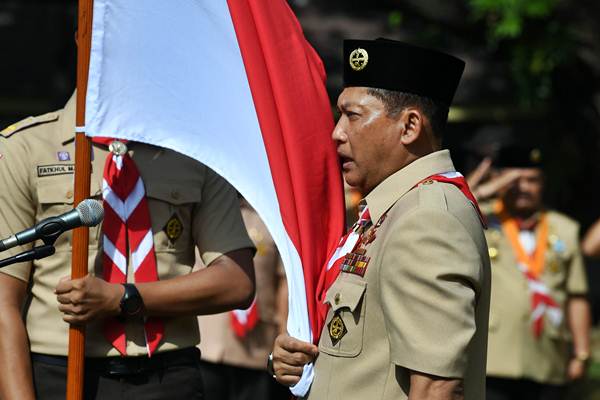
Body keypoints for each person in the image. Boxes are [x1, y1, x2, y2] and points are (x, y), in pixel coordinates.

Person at [270, 38, 490, 399]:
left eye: (353, 116)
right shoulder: (392, 211)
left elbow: (437, 386)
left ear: (410, 127)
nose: (337, 132)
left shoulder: (427, 218)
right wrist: (306, 365)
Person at [0, 91, 256, 400]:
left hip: (167, 377)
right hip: (60, 375)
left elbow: (236, 281)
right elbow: (3, 304)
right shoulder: (25, 147)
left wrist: (123, 297)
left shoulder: (195, 150)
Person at [473, 145, 591, 400]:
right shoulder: (480, 220)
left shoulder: (565, 229)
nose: (523, 188)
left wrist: (581, 353)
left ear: (543, 184)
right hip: (493, 358)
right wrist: (486, 187)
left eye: (532, 180)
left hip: (547, 358)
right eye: (515, 180)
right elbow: (451, 208)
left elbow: (576, 295)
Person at [197, 197, 289, 400]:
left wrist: (284, 333)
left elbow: (284, 282)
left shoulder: (273, 216)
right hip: (205, 344)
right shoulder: (206, 205)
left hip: (255, 348)